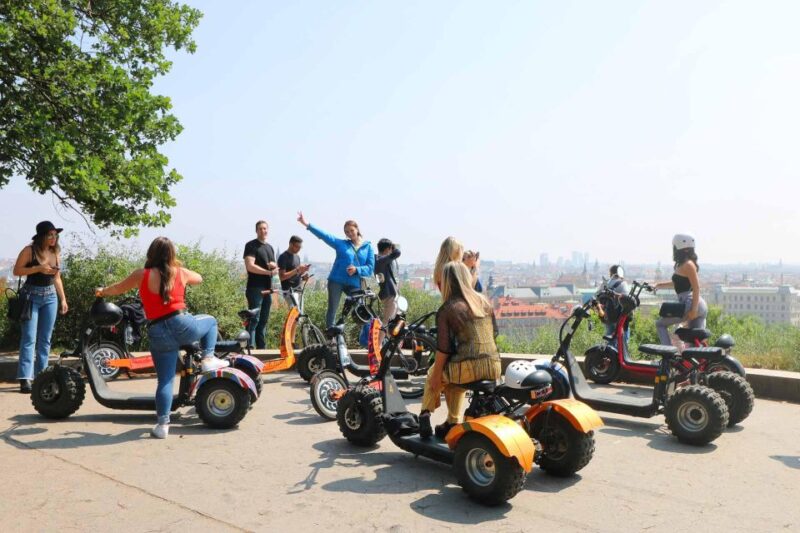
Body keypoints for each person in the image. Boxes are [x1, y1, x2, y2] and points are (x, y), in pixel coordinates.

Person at [96, 237, 228, 439]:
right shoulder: (180, 273)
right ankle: (208, 358)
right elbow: (199, 278)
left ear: (151, 254)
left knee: (165, 380)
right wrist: (177, 266)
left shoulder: (142, 274)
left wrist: (102, 291)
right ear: (172, 254)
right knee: (210, 321)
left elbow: (118, 288)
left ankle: (162, 425)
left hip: (157, 330)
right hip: (182, 325)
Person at [419, 261, 502, 439]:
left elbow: (444, 349)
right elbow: (494, 333)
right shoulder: (484, 301)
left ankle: (424, 415)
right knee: (453, 383)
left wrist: (435, 378)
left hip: (468, 369)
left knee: (436, 372)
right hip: (494, 366)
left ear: (447, 282)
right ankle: (451, 422)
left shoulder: (448, 309)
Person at [13, 221, 69, 393]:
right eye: (50, 234)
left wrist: (63, 299)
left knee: (45, 339)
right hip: (31, 297)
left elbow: (57, 277)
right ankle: (25, 378)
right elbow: (17, 271)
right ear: (41, 236)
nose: (53, 238)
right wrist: (38, 268)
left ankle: (42, 376)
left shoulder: (55, 252)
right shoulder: (29, 250)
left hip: (50, 297)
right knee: (29, 338)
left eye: (55, 235)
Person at [297, 212, 374, 328]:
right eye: (347, 232)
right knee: (332, 309)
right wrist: (306, 224)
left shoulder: (368, 247)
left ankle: (367, 338)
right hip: (336, 281)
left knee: (361, 309)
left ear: (357, 229)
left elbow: (370, 268)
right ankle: (331, 338)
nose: (349, 234)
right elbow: (325, 235)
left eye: (351, 230)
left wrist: (357, 269)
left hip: (354, 284)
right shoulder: (341, 244)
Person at [653, 234, 708, 346]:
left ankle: (667, 354)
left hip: (690, 303)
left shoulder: (687, 264)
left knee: (660, 324)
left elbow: (696, 287)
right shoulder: (684, 264)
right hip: (694, 304)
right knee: (694, 345)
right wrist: (659, 285)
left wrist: (693, 309)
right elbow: (677, 283)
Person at [243, 220, 278, 349]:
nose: (263, 231)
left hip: (268, 289)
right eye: (261, 229)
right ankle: (249, 347)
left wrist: (273, 267)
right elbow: (250, 266)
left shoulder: (270, 247)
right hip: (255, 288)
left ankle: (262, 349)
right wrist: (268, 272)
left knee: (263, 320)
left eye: (265, 228)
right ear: (256, 231)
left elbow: (273, 267)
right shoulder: (251, 245)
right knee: (254, 319)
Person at [375, 239, 401, 339]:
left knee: (391, 321)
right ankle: (379, 345)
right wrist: (394, 247)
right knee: (386, 321)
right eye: (390, 249)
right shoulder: (381, 260)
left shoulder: (379, 260)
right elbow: (397, 253)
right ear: (388, 249)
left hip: (389, 294)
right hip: (388, 294)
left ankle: (389, 343)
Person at [277, 235, 310, 307]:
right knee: (295, 314)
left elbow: (296, 275)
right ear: (290, 244)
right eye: (297, 246)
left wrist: (303, 276)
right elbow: (282, 277)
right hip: (289, 291)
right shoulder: (283, 257)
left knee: (299, 315)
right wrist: (297, 269)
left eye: (300, 247)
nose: (299, 249)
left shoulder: (297, 257)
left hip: (298, 290)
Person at [605, 265, 630, 350]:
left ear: (611, 273)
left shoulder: (606, 283)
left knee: (610, 341)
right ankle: (620, 360)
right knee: (623, 342)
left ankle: (610, 359)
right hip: (620, 316)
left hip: (609, 315)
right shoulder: (623, 284)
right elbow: (627, 298)